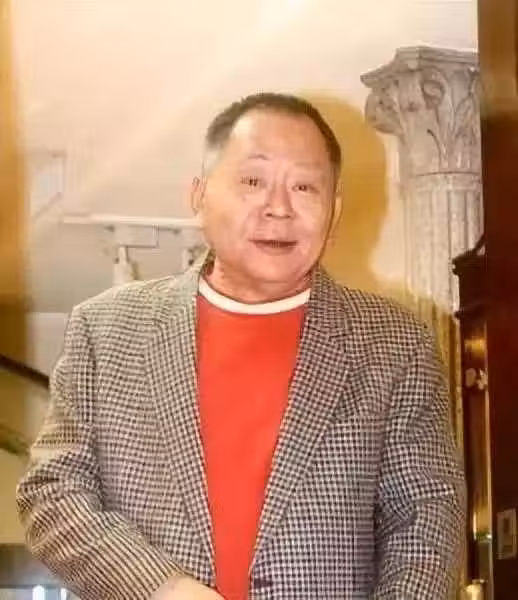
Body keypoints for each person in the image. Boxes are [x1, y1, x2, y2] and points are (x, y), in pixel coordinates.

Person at [17, 92, 465, 600]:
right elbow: (53, 492)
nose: (279, 208)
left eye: (304, 186)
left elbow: (426, 516)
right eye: (253, 181)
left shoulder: (394, 343)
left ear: (334, 211)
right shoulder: (106, 329)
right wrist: (163, 588)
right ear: (200, 195)